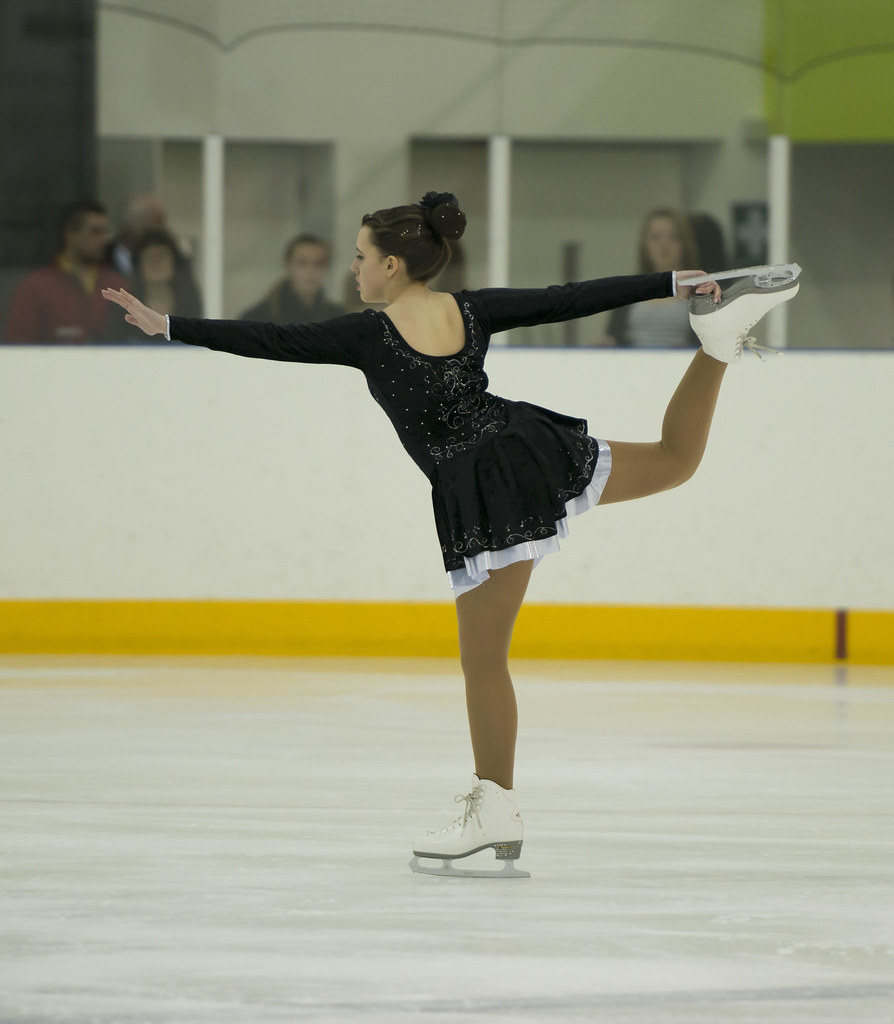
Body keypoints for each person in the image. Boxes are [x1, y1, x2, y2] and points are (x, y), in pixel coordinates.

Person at [103, 191, 800, 878]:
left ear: (392, 266)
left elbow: (273, 340)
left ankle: (494, 810)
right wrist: (670, 283)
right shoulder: (470, 309)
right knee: (674, 461)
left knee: (484, 660)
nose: (354, 268)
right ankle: (718, 344)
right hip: (526, 446)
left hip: (487, 492)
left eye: (360, 256)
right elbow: (568, 299)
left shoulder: (367, 335)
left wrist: (170, 325)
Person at [5, 200, 129, 344]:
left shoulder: (117, 284)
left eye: (105, 232)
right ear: (70, 234)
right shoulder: (36, 286)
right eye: (95, 231)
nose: (104, 239)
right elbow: (18, 340)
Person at [601, 208, 700, 348]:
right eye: (655, 237)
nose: (664, 244)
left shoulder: (700, 293)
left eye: (673, 236)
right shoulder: (627, 291)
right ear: (645, 245)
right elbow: (612, 337)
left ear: (684, 244)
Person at [239, 234, 344, 323]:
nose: (311, 270)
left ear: (327, 268)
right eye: (302, 263)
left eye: (318, 263)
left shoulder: (337, 318)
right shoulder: (258, 319)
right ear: (288, 266)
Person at [124, 229, 202, 336]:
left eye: (161, 256)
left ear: (173, 262)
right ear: (139, 265)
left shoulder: (190, 301)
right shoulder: (125, 305)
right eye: (150, 257)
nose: (156, 263)